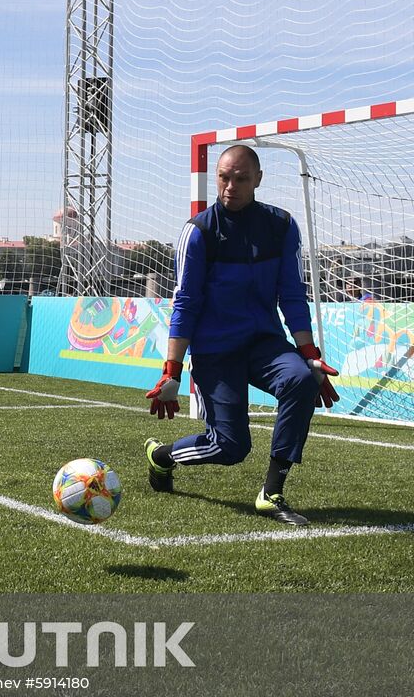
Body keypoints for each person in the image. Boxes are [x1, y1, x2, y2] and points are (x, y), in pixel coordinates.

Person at [144, 144, 339, 526]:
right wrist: (172, 371)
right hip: (216, 352)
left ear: (258, 180)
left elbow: (292, 295)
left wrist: (309, 351)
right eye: (223, 177)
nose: (230, 186)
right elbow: (185, 303)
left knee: (301, 379)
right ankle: (162, 457)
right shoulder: (198, 232)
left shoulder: (281, 225)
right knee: (230, 448)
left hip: (262, 344)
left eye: (241, 178)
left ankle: (272, 493)